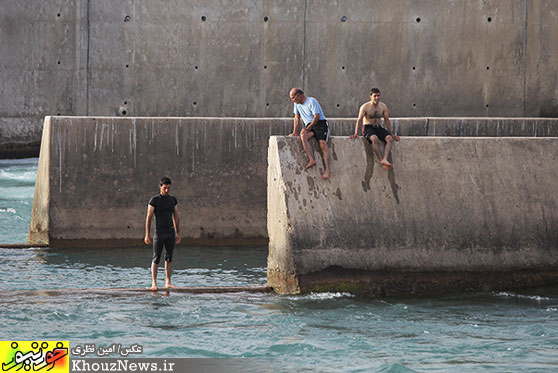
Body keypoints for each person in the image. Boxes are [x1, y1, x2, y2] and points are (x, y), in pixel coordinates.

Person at [144, 177, 181, 291]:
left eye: (168, 188)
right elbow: (149, 217)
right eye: (165, 188)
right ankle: (154, 283)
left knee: (169, 258)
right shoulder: (154, 200)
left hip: (170, 232)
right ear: (160, 187)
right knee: (156, 258)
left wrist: (178, 233)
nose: (166, 190)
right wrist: (147, 234)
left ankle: (168, 282)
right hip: (159, 233)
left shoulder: (172, 200)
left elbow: (176, 216)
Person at [350, 88, 400, 170]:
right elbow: (359, 120)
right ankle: (381, 159)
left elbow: (387, 120)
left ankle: (385, 159)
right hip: (368, 127)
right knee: (374, 139)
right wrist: (356, 133)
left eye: (378, 96)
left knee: (389, 139)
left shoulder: (383, 106)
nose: (377, 98)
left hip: (378, 126)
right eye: (375, 96)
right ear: (371, 97)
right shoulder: (365, 107)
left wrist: (391, 133)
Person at [289, 87, 331, 180]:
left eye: (293, 98)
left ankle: (327, 170)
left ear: (299, 95)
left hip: (320, 123)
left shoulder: (312, 101)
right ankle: (311, 159)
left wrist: (307, 129)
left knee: (322, 144)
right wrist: (295, 132)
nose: (292, 100)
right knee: (303, 136)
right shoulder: (297, 104)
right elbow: (297, 118)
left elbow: (317, 117)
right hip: (309, 125)